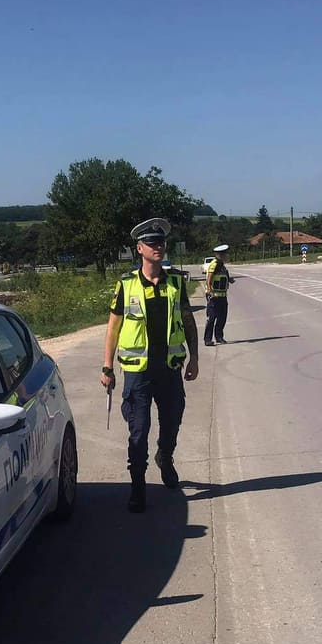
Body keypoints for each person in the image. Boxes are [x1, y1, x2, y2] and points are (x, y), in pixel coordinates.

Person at [100, 218, 200, 513]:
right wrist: (107, 367)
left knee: (172, 422)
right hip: (138, 372)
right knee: (139, 430)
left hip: (169, 370)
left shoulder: (175, 283)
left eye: (161, 242)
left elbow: (188, 321)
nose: (158, 247)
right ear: (140, 248)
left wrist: (194, 358)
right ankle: (138, 485)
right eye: (152, 243)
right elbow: (113, 327)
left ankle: (165, 457)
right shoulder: (126, 284)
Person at [204, 244, 232, 346]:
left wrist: (230, 280)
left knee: (222, 317)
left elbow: (222, 278)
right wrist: (209, 290)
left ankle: (219, 337)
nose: (227, 256)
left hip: (222, 296)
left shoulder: (222, 266)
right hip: (214, 296)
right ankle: (208, 339)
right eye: (225, 254)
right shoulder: (214, 264)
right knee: (212, 318)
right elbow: (209, 279)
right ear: (221, 255)